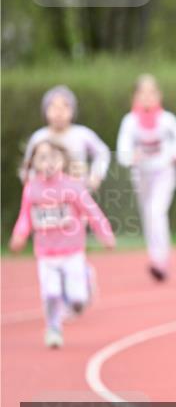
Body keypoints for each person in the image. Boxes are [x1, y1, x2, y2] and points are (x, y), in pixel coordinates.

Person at [10, 140, 116, 348]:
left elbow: (91, 211)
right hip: (45, 253)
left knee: (77, 301)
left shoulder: (71, 186)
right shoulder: (32, 189)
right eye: (42, 157)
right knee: (50, 294)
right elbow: (25, 216)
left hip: (72, 251)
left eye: (52, 157)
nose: (48, 162)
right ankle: (53, 329)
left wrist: (105, 233)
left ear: (62, 160)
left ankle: (85, 278)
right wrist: (19, 235)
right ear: (33, 163)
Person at [115, 74, 176, 282]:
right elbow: (123, 148)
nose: (147, 97)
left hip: (164, 173)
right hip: (141, 175)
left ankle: (160, 260)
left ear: (159, 96)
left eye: (151, 92)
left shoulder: (167, 120)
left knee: (157, 212)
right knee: (148, 215)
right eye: (142, 93)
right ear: (135, 97)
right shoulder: (130, 121)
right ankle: (155, 256)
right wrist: (130, 157)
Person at [22, 85, 111, 192]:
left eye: (65, 106)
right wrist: (32, 183)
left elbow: (103, 152)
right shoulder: (39, 137)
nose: (59, 112)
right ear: (45, 110)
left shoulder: (82, 134)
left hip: (78, 194)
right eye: (53, 107)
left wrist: (96, 175)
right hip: (47, 198)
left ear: (73, 110)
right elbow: (28, 167)